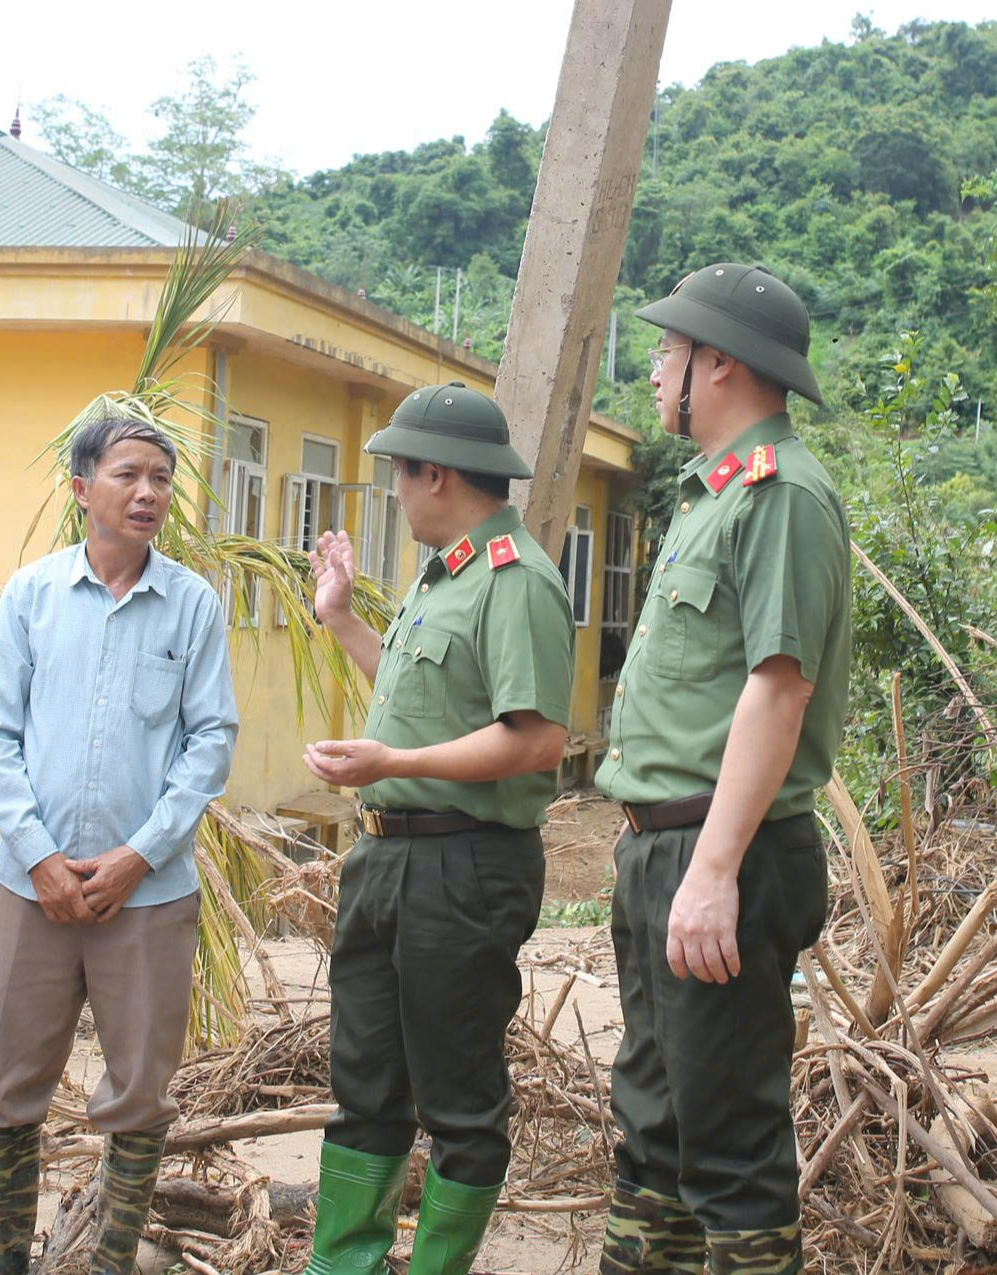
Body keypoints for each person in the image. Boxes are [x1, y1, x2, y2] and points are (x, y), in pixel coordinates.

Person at [595, 264, 850, 1275]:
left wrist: (710, 869)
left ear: (723, 364)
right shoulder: (710, 497)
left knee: (729, 1143)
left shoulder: (781, 494)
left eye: (670, 351)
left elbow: (777, 690)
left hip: (725, 855)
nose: (656, 370)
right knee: (655, 1124)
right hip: (669, 847)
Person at [298, 382, 574, 1275]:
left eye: (400, 475)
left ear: (439, 474)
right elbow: (423, 704)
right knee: (366, 1085)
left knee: (457, 1098)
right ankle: (343, 1264)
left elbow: (535, 739)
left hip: (464, 867)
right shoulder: (443, 571)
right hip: (387, 856)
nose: (395, 492)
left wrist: (392, 763)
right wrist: (341, 619)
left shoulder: (516, 580)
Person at [0, 410, 238, 1275]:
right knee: (5, 1092)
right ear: (82, 490)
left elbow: (210, 743)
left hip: (147, 895)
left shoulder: (192, 604)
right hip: (28, 888)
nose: (148, 492)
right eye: (128, 475)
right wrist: (41, 856)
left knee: (139, 1097)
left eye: (160, 477)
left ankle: (109, 1262)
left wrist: (138, 853)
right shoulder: (31, 596)